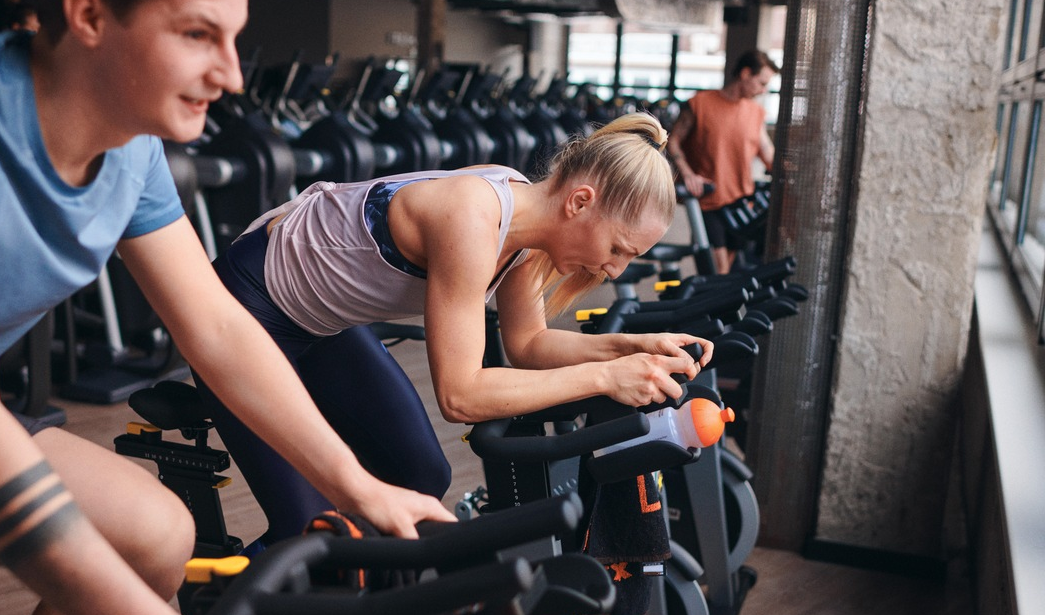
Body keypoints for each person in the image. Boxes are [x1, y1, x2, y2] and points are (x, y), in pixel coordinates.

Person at [0, 1, 452, 615]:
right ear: (90, 16)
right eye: (197, 34)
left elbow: (217, 327)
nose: (231, 75)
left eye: (234, 39)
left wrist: (355, 484)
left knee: (157, 534)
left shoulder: (131, 150)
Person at [198, 111, 715, 546]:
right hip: (246, 308)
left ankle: (352, 613)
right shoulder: (473, 215)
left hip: (321, 326)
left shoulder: (527, 233)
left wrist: (632, 348)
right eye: (619, 249)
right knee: (308, 531)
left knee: (422, 477)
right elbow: (461, 396)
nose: (617, 269)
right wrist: (606, 378)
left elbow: (529, 344)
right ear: (579, 203)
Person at [668, 49, 778, 275]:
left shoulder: (756, 113)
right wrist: (688, 174)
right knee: (717, 271)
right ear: (746, 74)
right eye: (762, 83)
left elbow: (767, 153)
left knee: (727, 277)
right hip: (709, 201)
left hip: (741, 203)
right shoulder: (700, 103)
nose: (763, 90)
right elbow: (673, 141)